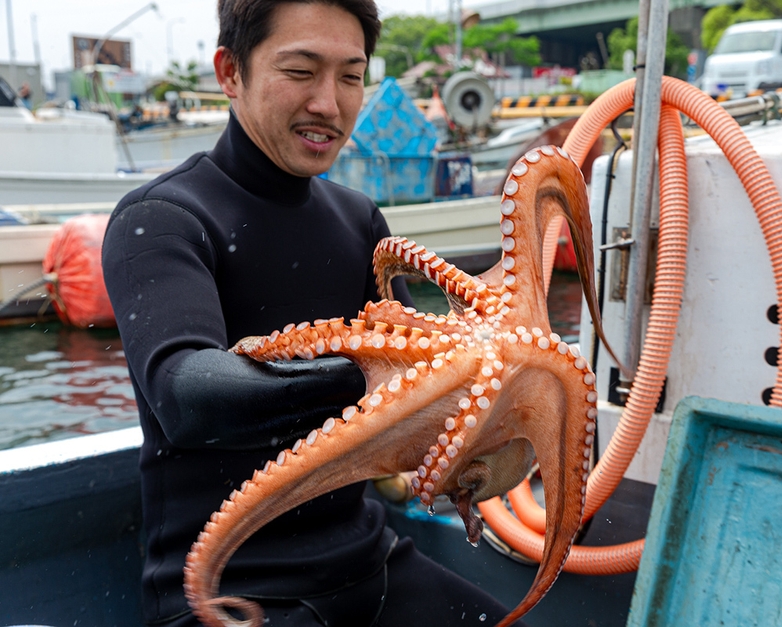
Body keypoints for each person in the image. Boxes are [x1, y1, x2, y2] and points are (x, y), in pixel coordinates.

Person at [101, 1, 525, 625]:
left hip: (370, 562)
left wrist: (510, 406)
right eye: (300, 71)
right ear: (230, 72)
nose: (329, 103)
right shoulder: (162, 220)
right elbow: (187, 397)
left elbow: (432, 395)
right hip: (227, 593)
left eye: (351, 76)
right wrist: (376, 374)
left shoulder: (359, 221)